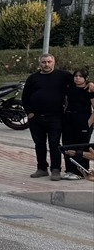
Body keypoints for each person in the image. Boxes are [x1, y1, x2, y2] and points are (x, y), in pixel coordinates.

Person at [22, 53, 70, 181]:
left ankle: (56, 169)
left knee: (54, 144)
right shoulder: (33, 78)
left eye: (49, 62)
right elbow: (25, 96)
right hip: (36, 118)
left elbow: (78, 80)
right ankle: (42, 168)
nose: (46, 64)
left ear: (54, 62)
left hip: (55, 117)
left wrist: (90, 84)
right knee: (39, 144)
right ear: (40, 63)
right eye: (43, 62)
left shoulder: (63, 76)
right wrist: (29, 112)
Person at [60, 67, 93, 179]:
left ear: (86, 78)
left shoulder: (89, 90)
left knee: (81, 147)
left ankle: (80, 172)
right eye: (76, 76)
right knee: (67, 145)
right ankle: (70, 170)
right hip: (69, 119)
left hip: (83, 120)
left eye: (80, 76)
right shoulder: (70, 87)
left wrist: (88, 124)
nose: (77, 78)